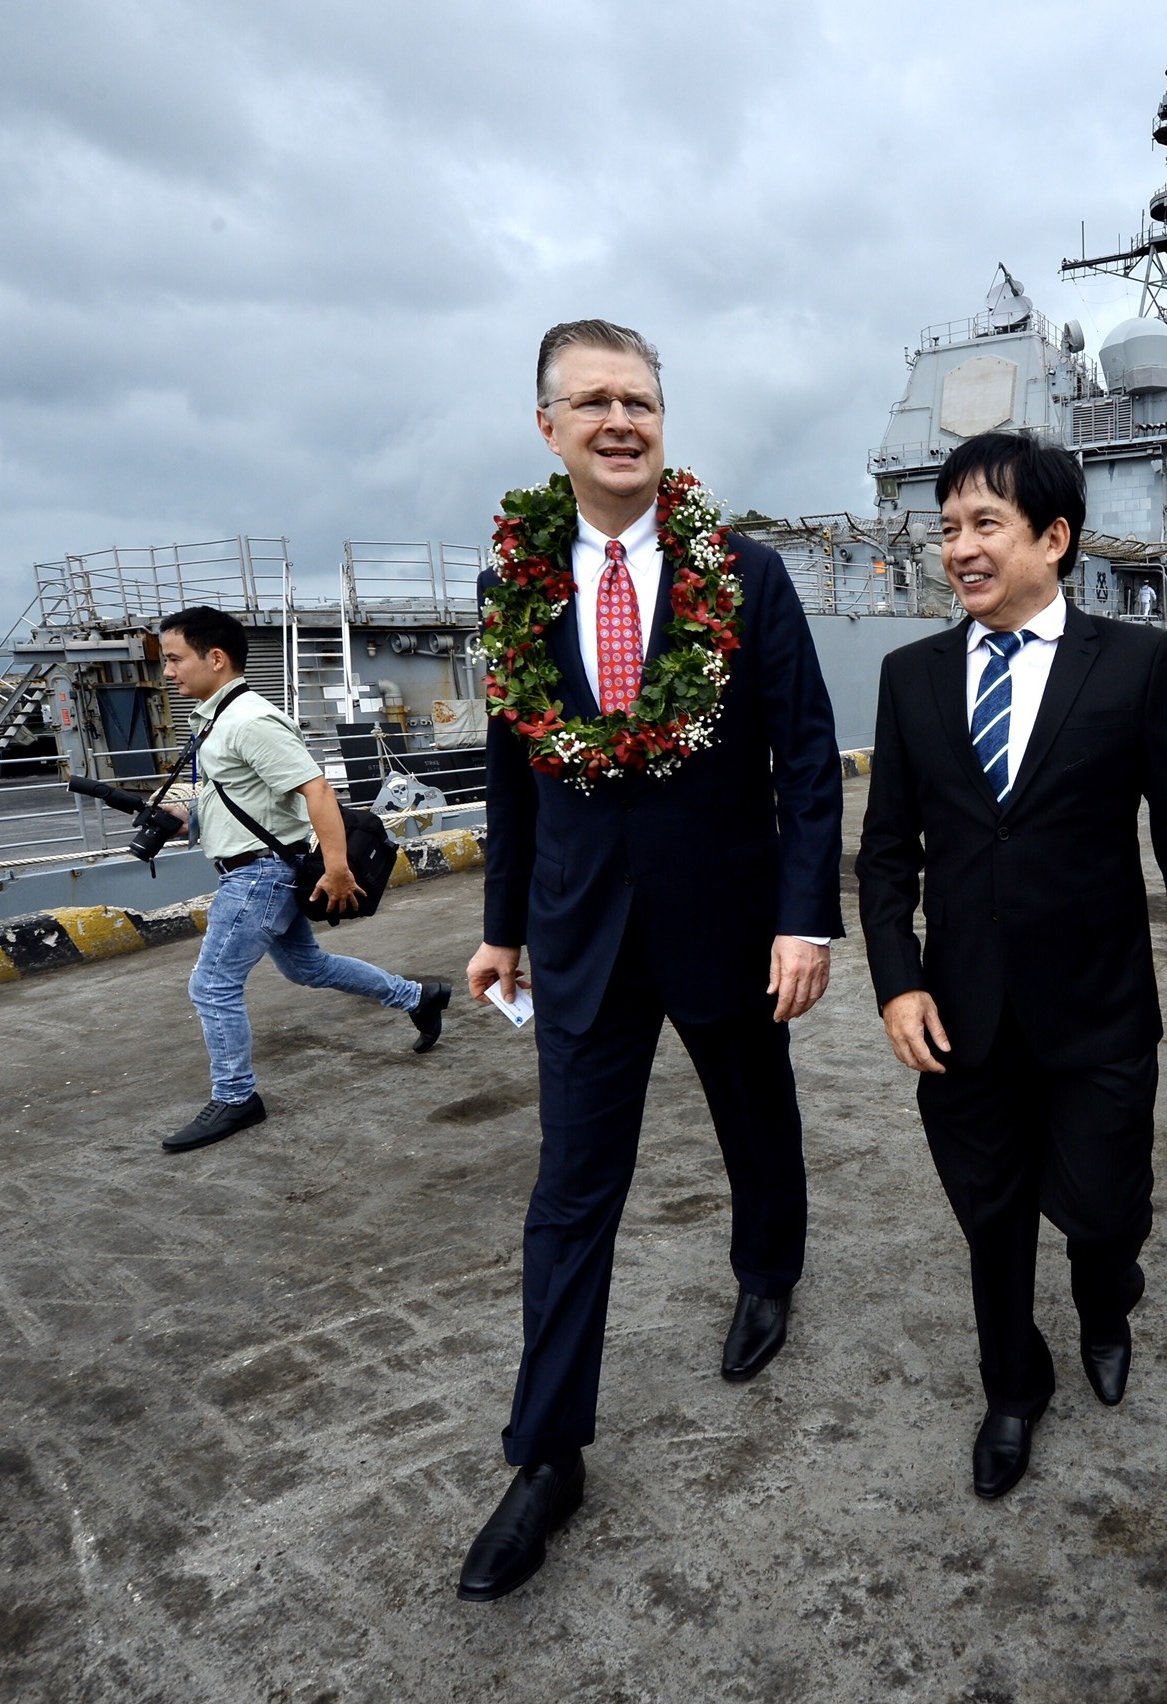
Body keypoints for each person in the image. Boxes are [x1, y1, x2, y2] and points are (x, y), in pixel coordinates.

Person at [456, 319, 845, 1602]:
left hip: (729, 920)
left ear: (661, 421)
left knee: (753, 1116)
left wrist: (807, 917)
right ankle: (546, 1456)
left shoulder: (744, 572)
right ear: (549, 428)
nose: (620, 420)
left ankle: (767, 1270)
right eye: (593, 402)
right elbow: (513, 774)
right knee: (571, 1191)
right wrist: (502, 922)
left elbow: (804, 756)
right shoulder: (515, 585)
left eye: (640, 400)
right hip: (577, 936)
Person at [855, 431, 1167, 1501]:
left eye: (985, 524)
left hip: (1098, 1012)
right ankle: (1011, 1388)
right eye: (946, 529)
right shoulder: (910, 677)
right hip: (962, 1019)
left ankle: (1105, 1300)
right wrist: (896, 979)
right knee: (991, 1223)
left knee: (1109, 1211)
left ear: (1054, 537)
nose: (960, 549)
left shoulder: (1131, 664)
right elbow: (887, 853)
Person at [153, 606, 448, 1155]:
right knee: (308, 967)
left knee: (212, 986)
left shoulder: (249, 720)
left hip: (257, 877)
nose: (168, 672)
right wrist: (185, 818)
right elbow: (249, 800)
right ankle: (419, 996)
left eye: (175, 659)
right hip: (261, 869)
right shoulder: (219, 718)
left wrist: (338, 870)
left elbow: (317, 791)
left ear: (215, 659)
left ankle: (237, 1098)